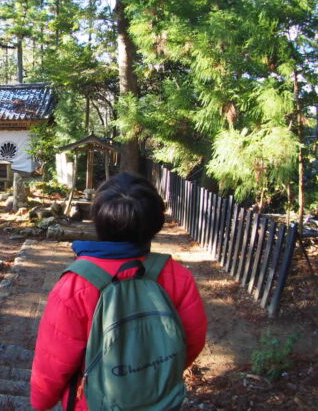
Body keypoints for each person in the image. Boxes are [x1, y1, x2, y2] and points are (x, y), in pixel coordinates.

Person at [30, 172, 207, 410]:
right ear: (155, 223)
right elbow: (191, 340)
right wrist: (152, 376)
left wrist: (41, 402)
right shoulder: (178, 277)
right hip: (160, 400)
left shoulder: (75, 286)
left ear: (99, 220)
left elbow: (54, 359)